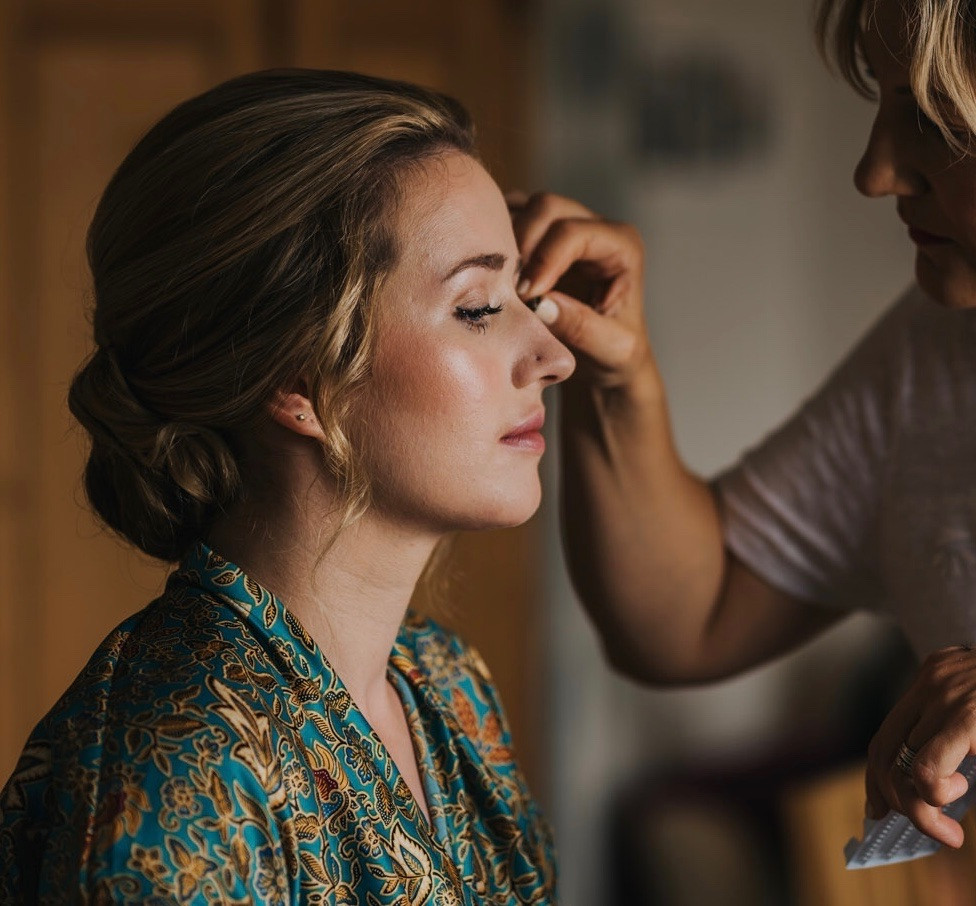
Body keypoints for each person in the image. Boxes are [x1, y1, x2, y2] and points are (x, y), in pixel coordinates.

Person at [0, 69, 573, 903]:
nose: (553, 358)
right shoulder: (178, 775)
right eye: (479, 307)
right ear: (300, 376)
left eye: (525, 296)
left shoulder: (444, 682)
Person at [508, 0, 976, 852]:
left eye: (936, 121)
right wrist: (619, 382)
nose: (875, 172)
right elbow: (691, 615)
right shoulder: (931, 352)